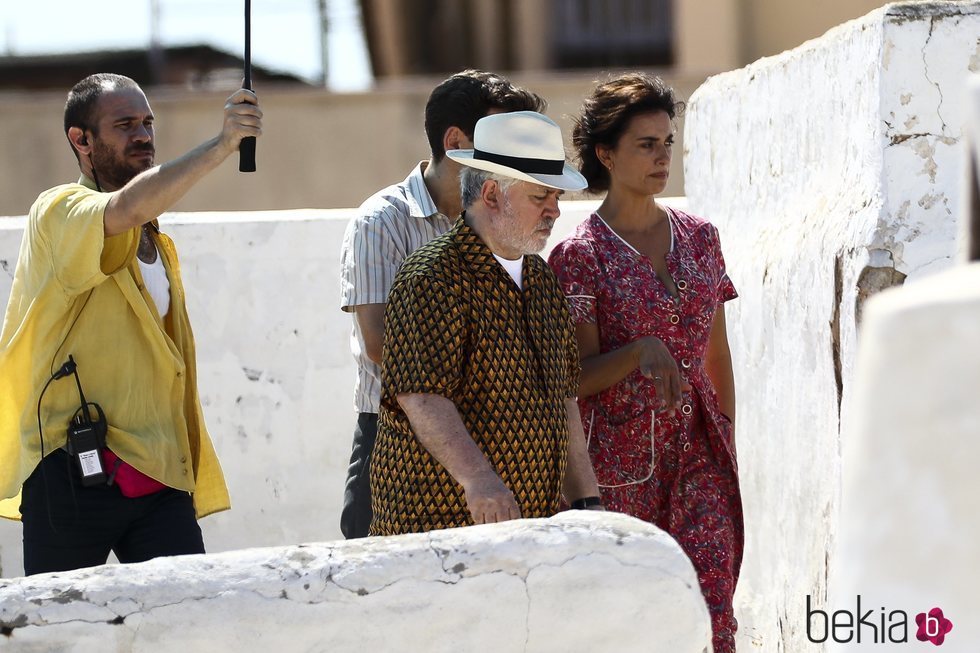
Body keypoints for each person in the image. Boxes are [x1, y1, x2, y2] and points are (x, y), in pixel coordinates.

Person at [0, 73, 262, 575]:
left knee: (188, 619)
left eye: (147, 122)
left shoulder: (157, 242)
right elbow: (124, 206)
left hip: (160, 474)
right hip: (70, 469)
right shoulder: (57, 210)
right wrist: (223, 144)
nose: (143, 134)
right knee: (64, 632)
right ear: (81, 140)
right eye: (124, 125)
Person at [547, 73, 742, 653]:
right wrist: (637, 353)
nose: (662, 158)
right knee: (634, 623)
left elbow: (717, 351)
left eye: (667, 143)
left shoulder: (702, 238)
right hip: (619, 470)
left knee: (713, 610)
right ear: (605, 154)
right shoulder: (578, 256)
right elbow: (573, 378)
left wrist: (725, 433)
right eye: (645, 144)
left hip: (701, 457)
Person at [369, 111, 602, 535]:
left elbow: (564, 399)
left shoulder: (542, 279)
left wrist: (587, 501)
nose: (554, 211)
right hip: (439, 529)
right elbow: (421, 396)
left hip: (526, 529)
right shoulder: (432, 275)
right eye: (540, 197)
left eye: (556, 198)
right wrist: (479, 480)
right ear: (492, 194)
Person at [338, 70, 545, 539]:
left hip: (497, 442)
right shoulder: (382, 221)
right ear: (456, 141)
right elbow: (379, 343)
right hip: (396, 443)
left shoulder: (509, 220)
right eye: (504, 138)